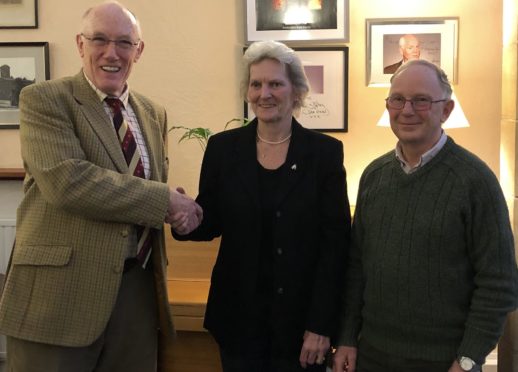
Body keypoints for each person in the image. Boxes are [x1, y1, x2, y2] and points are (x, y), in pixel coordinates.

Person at [0, 2, 202, 371]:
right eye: (99, 40)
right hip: (59, 299)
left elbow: (143, 190)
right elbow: (69, 182)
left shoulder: (153, 112)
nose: (112, 53)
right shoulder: (44, 99)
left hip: (137, 296)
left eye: (124, 42)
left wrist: (178, 209)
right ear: (80, 44)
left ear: (139, 51)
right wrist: (164, 201)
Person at [173, 40, 351, 372]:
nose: (264, 93)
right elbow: (210, 221)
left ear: (296, 90)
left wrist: (321, 325)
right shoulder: (223, 149)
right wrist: (185, 220)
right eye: (256, 84)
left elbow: (336, 246)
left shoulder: (324, 153)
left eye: (275, 83)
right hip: (238, 322)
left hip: (301, 330)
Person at [333, 59, 518, 372]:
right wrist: (348, 337)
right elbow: (356, 267)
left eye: (421, 100)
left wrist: (468, 358)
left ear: (445, 110)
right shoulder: (373, 176)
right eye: (397, 99)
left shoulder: (475, 181)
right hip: (372, 355)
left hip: (444, 361)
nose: (406, 110)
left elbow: (499, 283)